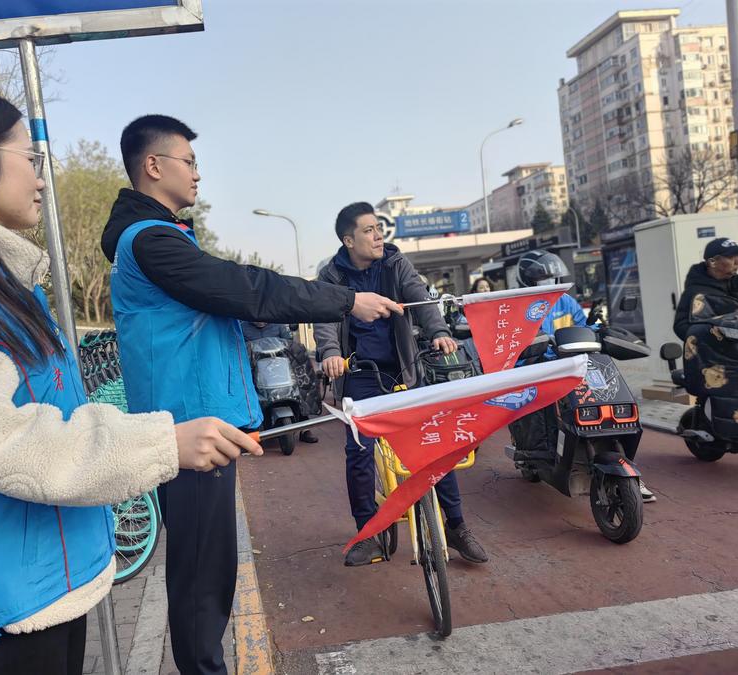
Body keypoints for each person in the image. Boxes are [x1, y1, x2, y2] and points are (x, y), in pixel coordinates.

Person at [0, 84, 262, 675]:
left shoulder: (1, 282)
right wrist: (163, 443)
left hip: (47, 587)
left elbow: (57, 411)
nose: (42, 180)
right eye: (30, 159)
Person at [100, 116, 401, 675]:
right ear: (153, 166)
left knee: (209, 570)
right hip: (189, 430)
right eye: (189, 161)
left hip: (201, 424)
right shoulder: (151, 240)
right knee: (200, 576)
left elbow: (232, 305)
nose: (197, 173)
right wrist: (344, 301)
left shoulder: (159, 238)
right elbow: (245, 286)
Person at [314, 202, 490, 567]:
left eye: (379, 228)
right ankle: (368, 534)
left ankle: (457, 526)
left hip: (404, 370)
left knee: (432, 445)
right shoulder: (332, 277)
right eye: (368, 230)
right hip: (360, 375)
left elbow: (420, 298)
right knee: (359, 453)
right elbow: (325, 320)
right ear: (349, 240)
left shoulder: (395, 264)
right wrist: (330, 352)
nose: (378, 236)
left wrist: (438, 331)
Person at [508, 250, 655, 502]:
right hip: (541, 368)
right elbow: (516, 343)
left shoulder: (565, 302)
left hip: (576, 364)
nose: (550, 283)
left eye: (553, 278)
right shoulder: (518, 306)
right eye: (543, 279)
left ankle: (628, 470)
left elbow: (582, 326)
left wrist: (599, 329)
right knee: (544, 416)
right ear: (528, 280)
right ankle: (544, 454)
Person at [242, 321, 320, 443]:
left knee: (301, 382)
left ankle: (305, 427)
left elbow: (290, 345)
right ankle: (248, 430)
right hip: (254, 372)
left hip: (281, 368)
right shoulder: (243, 328)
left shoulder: (279, 325)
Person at [673, 237, 738, 341]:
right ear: (712, 262)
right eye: (730, 257)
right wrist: (711, 333)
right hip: (720, 350)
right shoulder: (695, 292)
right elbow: (681, 326)